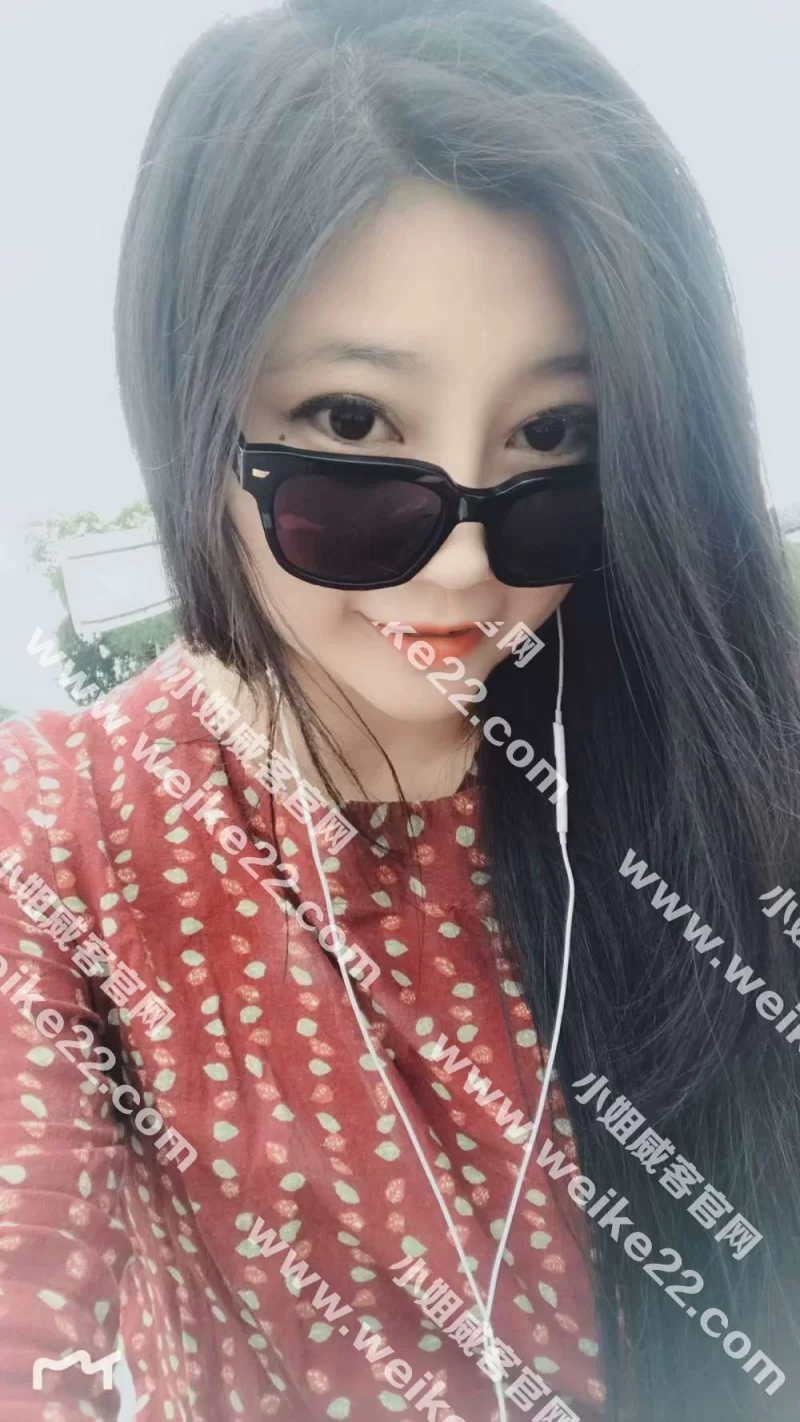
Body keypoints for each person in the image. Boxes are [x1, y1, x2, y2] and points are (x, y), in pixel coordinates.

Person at [1, 0, 798, 1419]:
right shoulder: (61, 835)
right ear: (193, 405)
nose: (467, 564)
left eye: (554, 436)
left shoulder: (708, 756)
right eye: (354, 428)